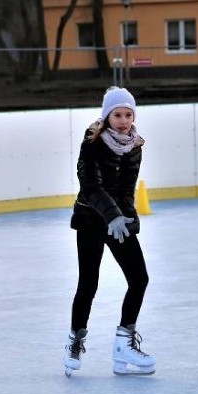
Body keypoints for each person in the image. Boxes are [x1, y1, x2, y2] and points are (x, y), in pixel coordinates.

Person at [63, 86, 156, 376]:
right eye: (117, 115)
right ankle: (74, 341)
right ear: (107, 116)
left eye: (128, 114)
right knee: (88, 283)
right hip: (91, 219)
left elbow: (127, 190)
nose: (124, 120)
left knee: (139, 278)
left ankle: (123, 346)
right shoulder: (92, 142)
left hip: (118, 222)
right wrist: (113, 216)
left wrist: (129, 220)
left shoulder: (134, 145)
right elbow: (90, 186)